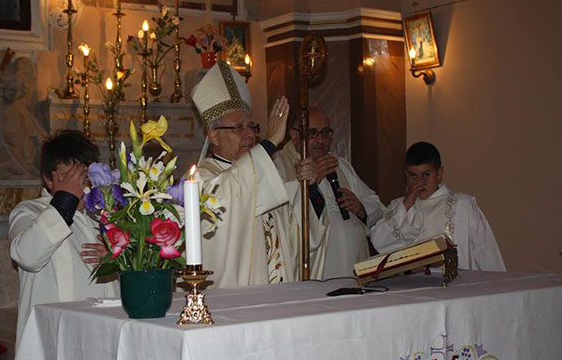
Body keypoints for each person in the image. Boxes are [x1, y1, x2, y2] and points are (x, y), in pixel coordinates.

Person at [191, 61, 326, 287]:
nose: (250, 135)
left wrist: (308, 187)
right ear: (214, 136)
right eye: (239, 127)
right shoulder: (203, 181)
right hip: (235, 303)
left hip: (277, 298)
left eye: (252, 127)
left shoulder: (264, 177)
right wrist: (271, 141)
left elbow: (300, 239)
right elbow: (233, 191)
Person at [9, 130, 118, 344]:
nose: (79, 184)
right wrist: (65, 199)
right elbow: (27, 255)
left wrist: (116, 260)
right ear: (48, 179)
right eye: (69, 177)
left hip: (105, 334)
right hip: (57, 336)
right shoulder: (30, 212)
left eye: (83, 176)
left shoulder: (104, 218)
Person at [275, 107, 385, 279]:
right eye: (312, 133)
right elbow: (281, 217)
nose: (320, 140)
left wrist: (360, 207)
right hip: (317, 269)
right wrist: (310, 184)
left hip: (354, 265)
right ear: (294, 135)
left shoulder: (341, 165)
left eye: (325, 133)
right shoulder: (278, 165)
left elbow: (377, 206)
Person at [370, 141, 505, 271]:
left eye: (426, 174)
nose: (420, 182)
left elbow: (485, 251)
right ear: (406, 175)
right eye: (413, 176)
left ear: (439, 173)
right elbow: (380, 242)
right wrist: (406, 205)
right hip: (413, 286)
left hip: (456, 286)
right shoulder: (398, 207)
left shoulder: (462, 204)